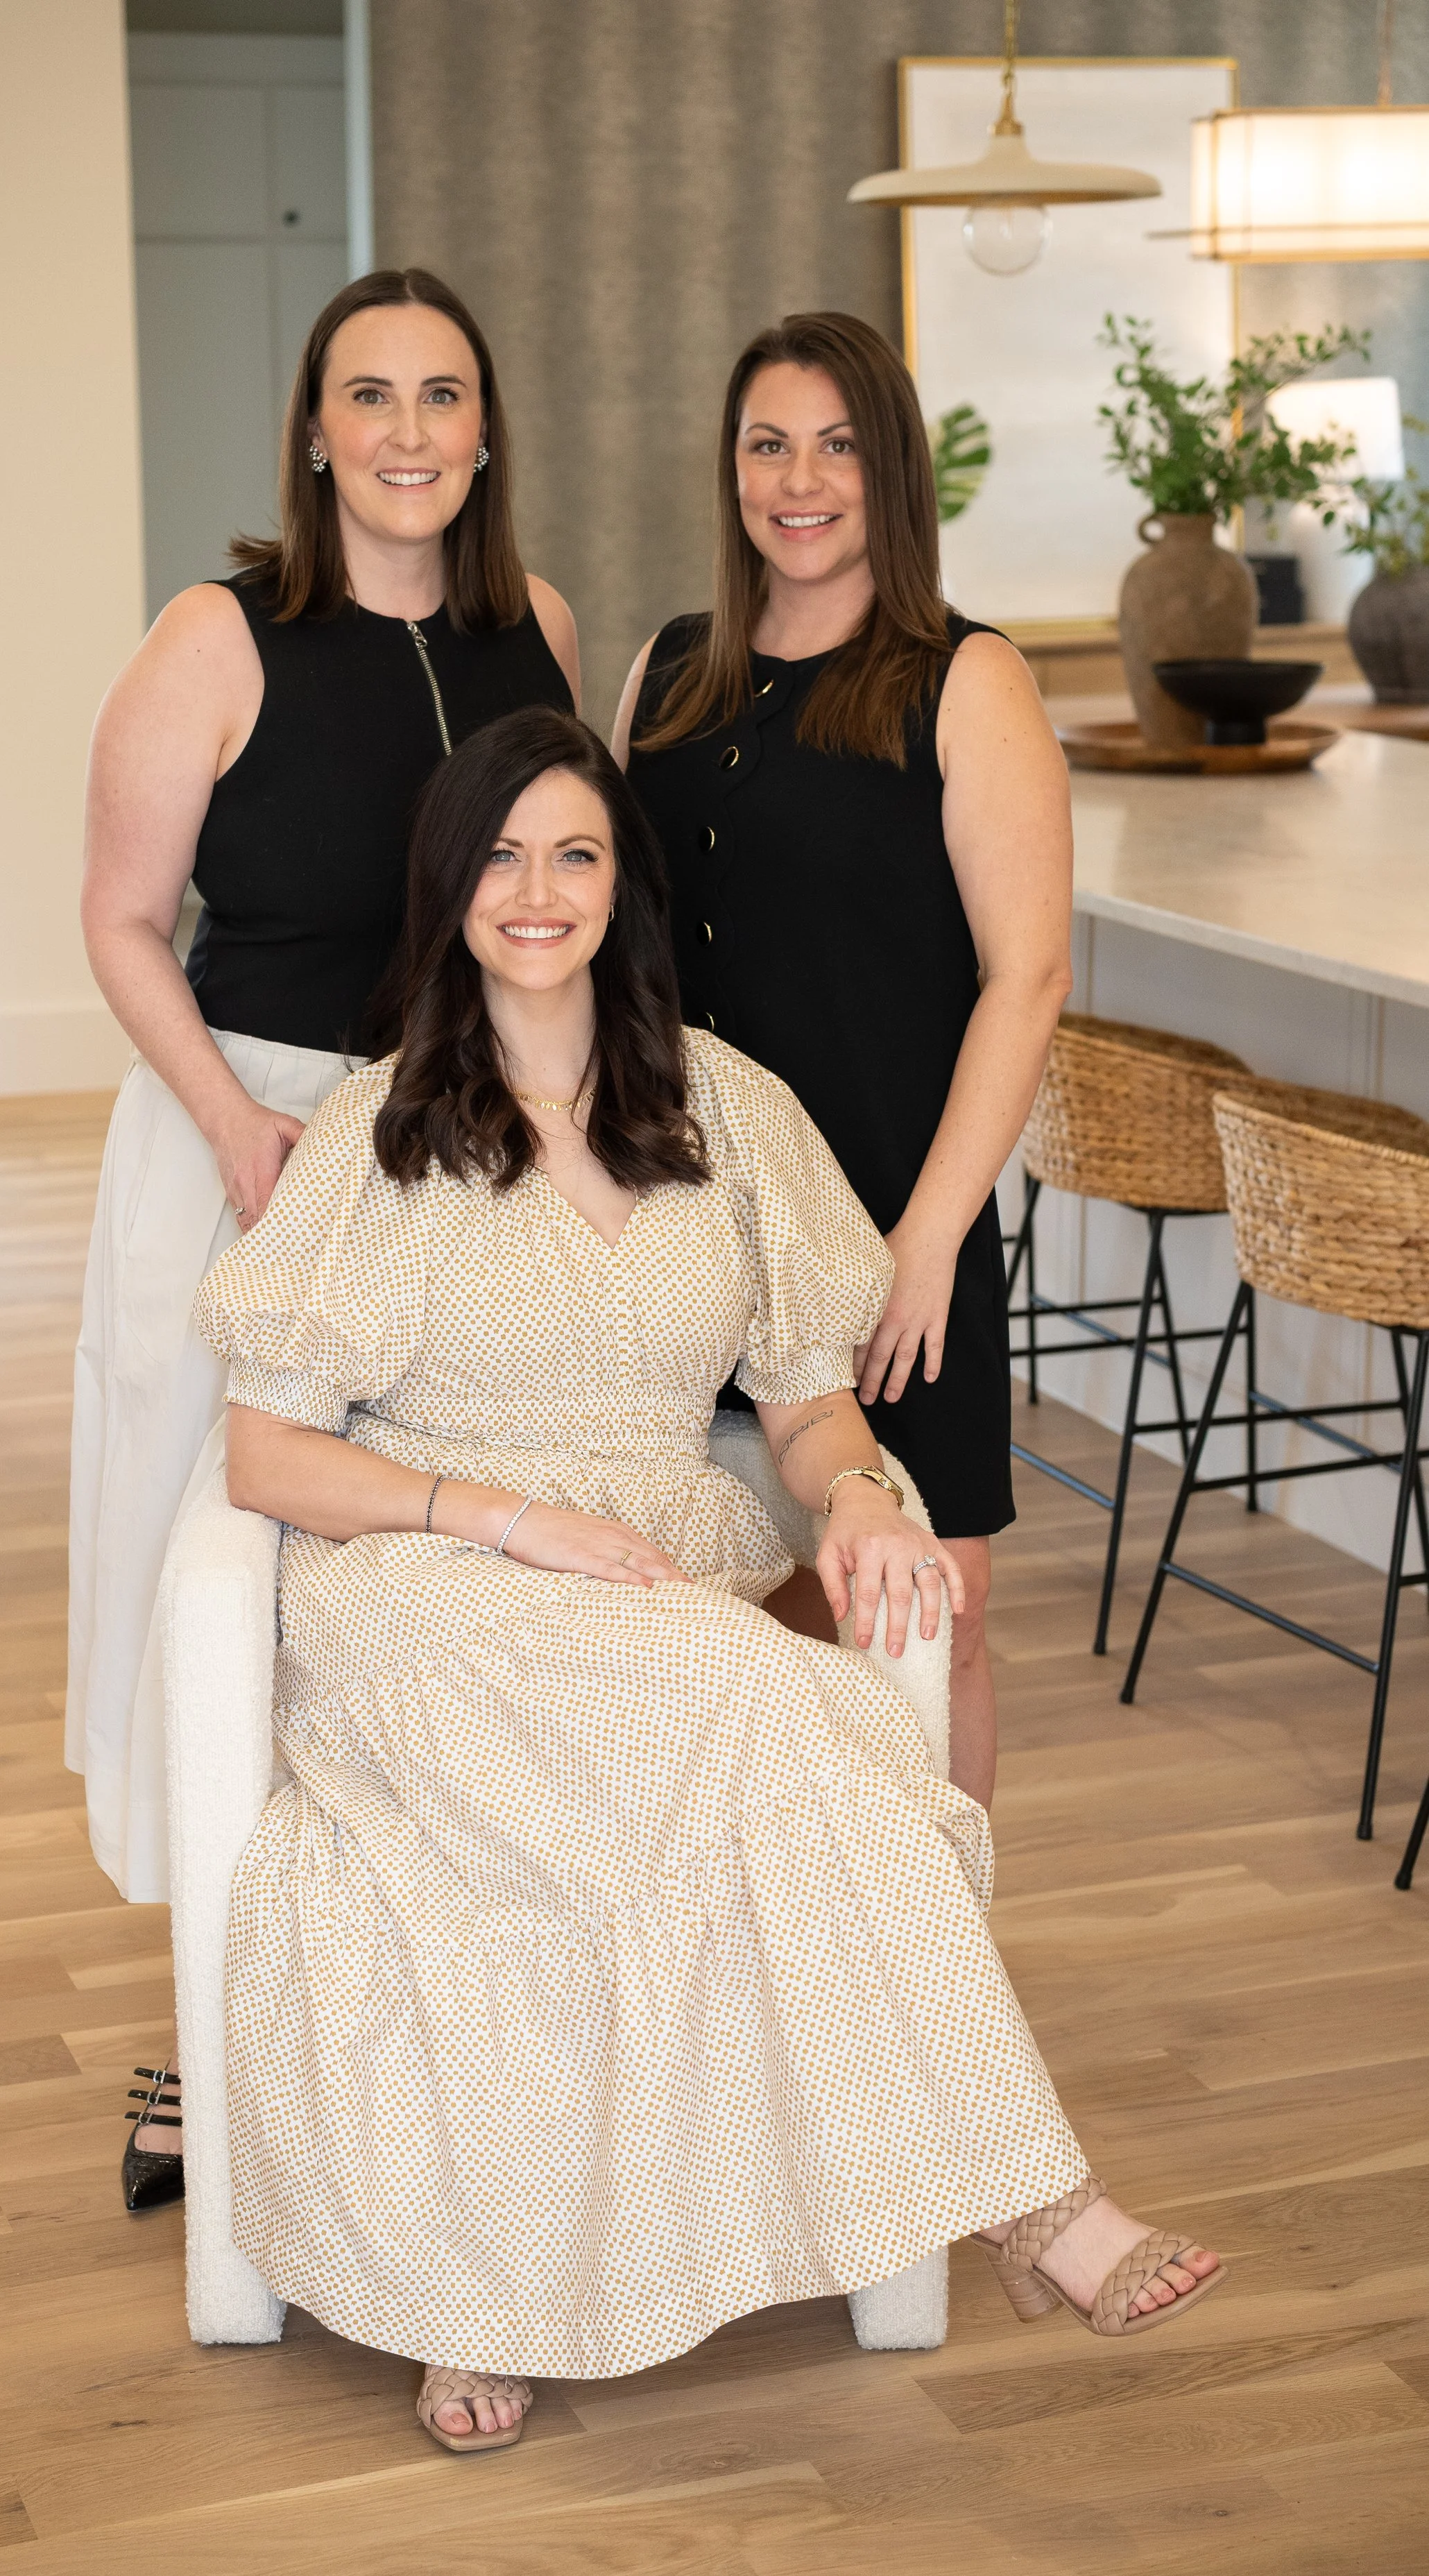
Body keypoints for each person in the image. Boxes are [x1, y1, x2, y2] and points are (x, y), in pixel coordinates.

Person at [196, 706, 1222, 2452]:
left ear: (622, 885)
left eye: (576, 854)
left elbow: (807, 1411)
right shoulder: (380, 1132)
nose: (539, 892)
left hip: (657, 1565)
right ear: (449, 888)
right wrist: (502, 1523)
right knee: (769, 1707)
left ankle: (497, 2283)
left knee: (742, 1729)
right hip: (430, 1580)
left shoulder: (724, 1108)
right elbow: (265, 1459)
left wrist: (866, 1500)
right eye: (503, 856)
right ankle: (1029, 2212)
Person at [69, 268, 580, 2208]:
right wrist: (230, 1125)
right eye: (366, 395)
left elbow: (560, 902)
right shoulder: (217, 632)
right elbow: (121, 917)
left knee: (404, 1587)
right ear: (312, 429)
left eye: (442, 393)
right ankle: (199, 2028)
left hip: (452, 1141)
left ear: (482, 430)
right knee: (205, 1565)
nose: (405, 431)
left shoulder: (529, 625)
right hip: (248, 1135)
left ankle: (391, 1999)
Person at [615, 311, 1073, 1811]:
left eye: (834, 445)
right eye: (765, 443)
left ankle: (938, 1959)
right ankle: (775, 1947)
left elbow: (1027, 976)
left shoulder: (964, 679)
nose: (796, 479)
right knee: (718, 1599)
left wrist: (929, 1238)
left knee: (933, 1608)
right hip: (692, 1225)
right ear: (729, 468)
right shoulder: (664, 675)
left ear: (889, 472)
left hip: (895, 1216)